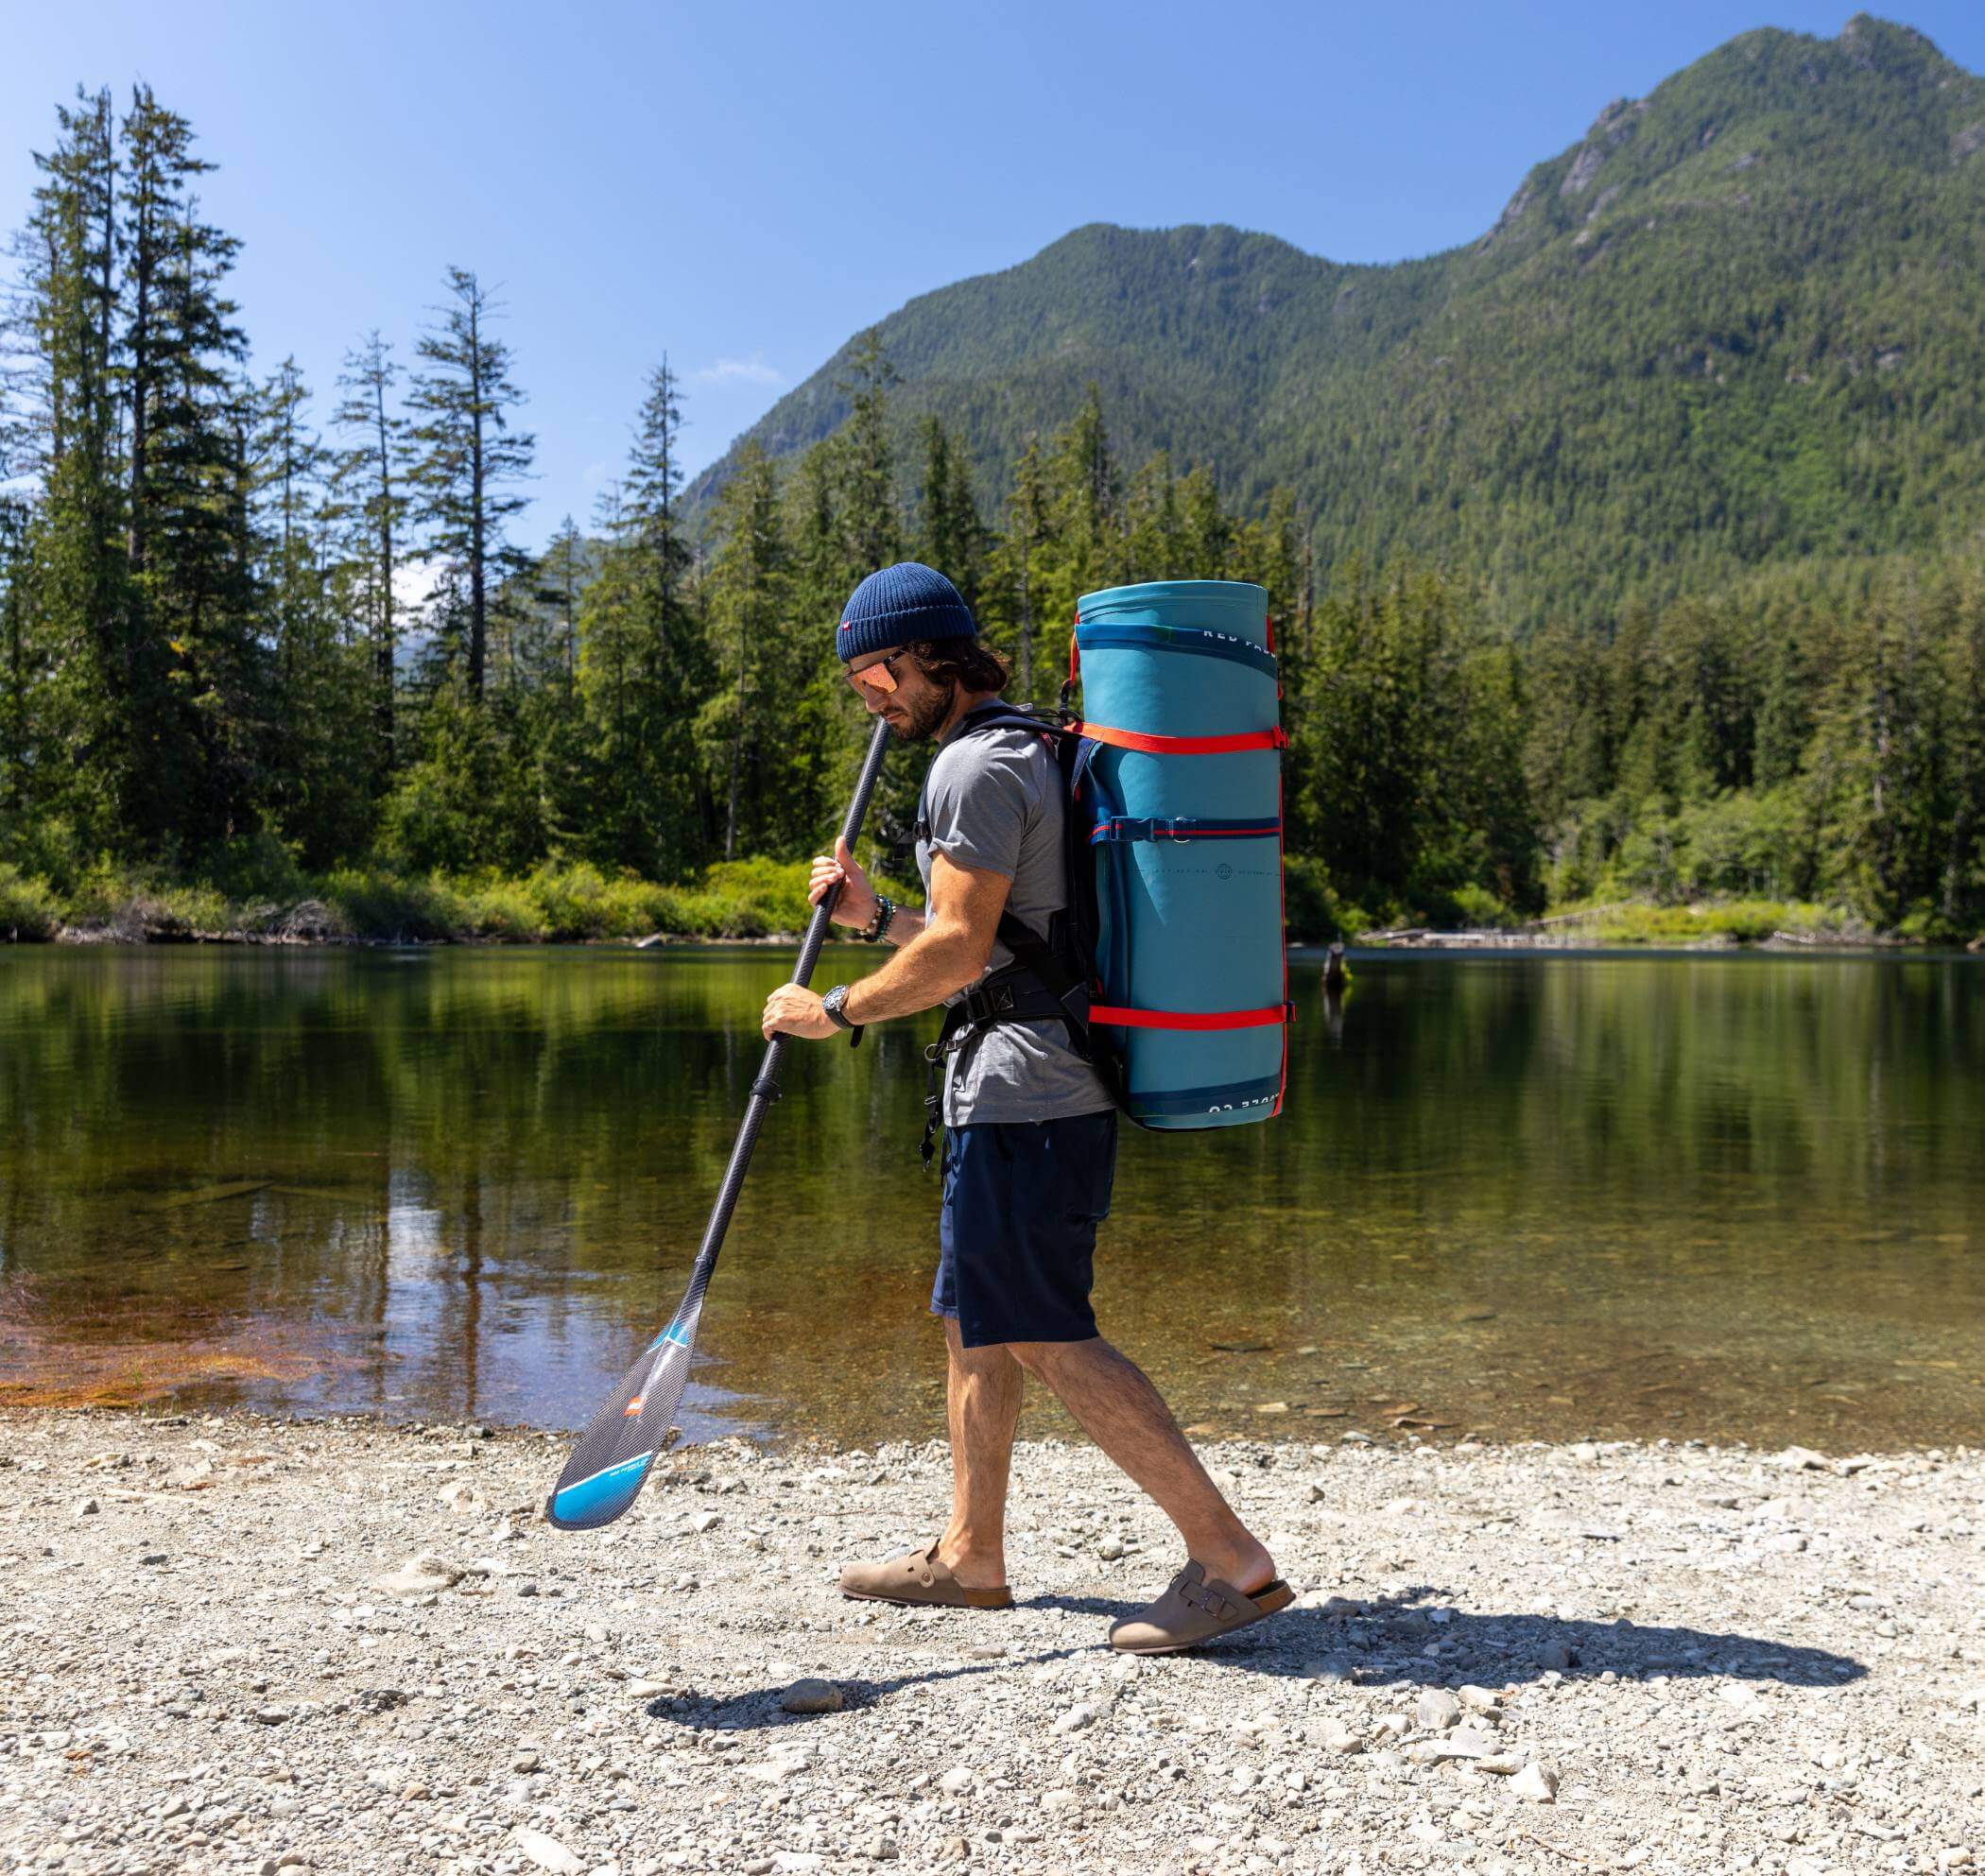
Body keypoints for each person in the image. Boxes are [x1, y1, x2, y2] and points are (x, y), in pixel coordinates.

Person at [760, 561, 1290, 1653]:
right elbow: (1003, 947)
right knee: (975, 1318)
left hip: (1026, 1093)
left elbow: (960, 955)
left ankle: (1230, 1559)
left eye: (877, 674)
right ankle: (971, 1555)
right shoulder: (1017, 749)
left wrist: (837, 1009)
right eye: (862, 682)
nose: (872, 698)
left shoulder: (970, 767)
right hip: (1022, 1079)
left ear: (930, 657)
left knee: (1044, 1327)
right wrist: (875, 917)